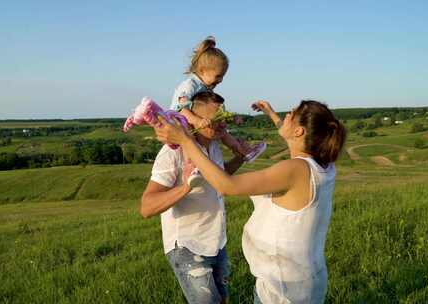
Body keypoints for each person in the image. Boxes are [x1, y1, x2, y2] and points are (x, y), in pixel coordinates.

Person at [154, 99, 347, 304]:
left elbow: (227, 186)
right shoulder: (323, 165)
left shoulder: (295, 170)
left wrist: (186, 141)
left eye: (291, 114)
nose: (285, 116)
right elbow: (291, 134)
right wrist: (271, 114)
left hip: (284, 289)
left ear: (299, 132)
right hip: (303, 278)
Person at [141, 92, 244, 304]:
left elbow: (219, 178)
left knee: (223, 300)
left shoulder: (213, 145)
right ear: (195, 119)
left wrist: (241, 157)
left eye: (225, 119)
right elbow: (146, 206)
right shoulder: (173, 153)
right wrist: (185, 187)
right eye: (217, 119)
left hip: (216, 242)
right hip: (187, 246)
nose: (223, 125)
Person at [171, 36, 266, 186]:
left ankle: (243, 151)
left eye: (222, 77)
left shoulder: (205, 87)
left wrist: (231, 117)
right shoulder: (190, 85)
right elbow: (181, 108)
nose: (220, 80)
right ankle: (191, 167)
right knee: (188, 140)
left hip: (198, 123)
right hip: (182, 123)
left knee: (223, 132)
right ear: (202, 70)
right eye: (218, 76)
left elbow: (215, 112)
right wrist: (197, 120)